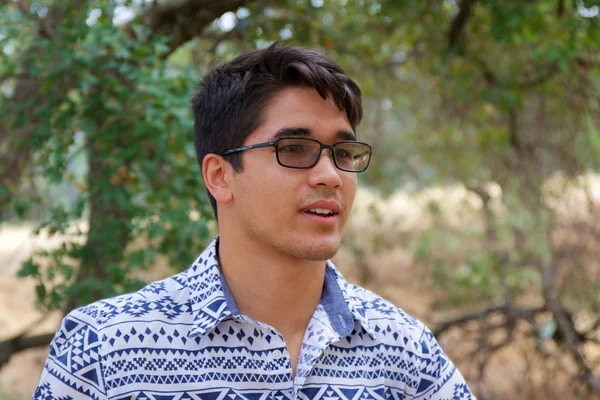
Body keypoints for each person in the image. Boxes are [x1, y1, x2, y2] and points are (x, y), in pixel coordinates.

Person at [33, 44, 474, 400]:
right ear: (220, 176)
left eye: (343, 153)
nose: (331, 176)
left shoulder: (405, 351)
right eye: (295, 148)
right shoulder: (103, 350)